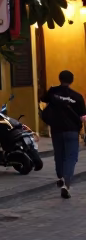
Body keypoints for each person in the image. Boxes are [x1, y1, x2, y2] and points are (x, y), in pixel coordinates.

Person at [39, 70, 86, 199]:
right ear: (72, 80)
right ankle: (66, 184)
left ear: (60, 79)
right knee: (71, 158)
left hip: (56, 130)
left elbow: (42, 99)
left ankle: (60, 177)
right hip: (72, 131)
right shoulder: (77, 96)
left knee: (59, 155)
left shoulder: (53, 92)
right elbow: (83, 116)